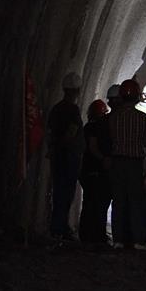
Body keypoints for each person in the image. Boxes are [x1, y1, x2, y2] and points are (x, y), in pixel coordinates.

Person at [108, 79, 146, 250]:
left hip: (117, 162)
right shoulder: (142, 119)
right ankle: (137, 240)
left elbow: (111, 139)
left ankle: (118, 240)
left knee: (118, 201)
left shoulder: (114, 118)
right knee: (136, 202)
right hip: (135, 163)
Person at [47, 72, 85, 240]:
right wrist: (65, 145)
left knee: (58, 191)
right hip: (69, 156)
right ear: (76, 90)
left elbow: (50, 131)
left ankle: (57, 226)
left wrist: (54, 148)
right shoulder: (73, 110)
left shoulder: (56, 108)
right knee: (66, 192)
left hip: (58, 155)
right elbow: (72, 131)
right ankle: (60, 227)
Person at [79, 99, 111, 245]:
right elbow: (92, 146)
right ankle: (94, 235)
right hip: (94, 169)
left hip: (86, 169)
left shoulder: (87, 127)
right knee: (96, 203)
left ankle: (86, 235)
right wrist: (103, 158)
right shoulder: (95, 128)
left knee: (89, 202)